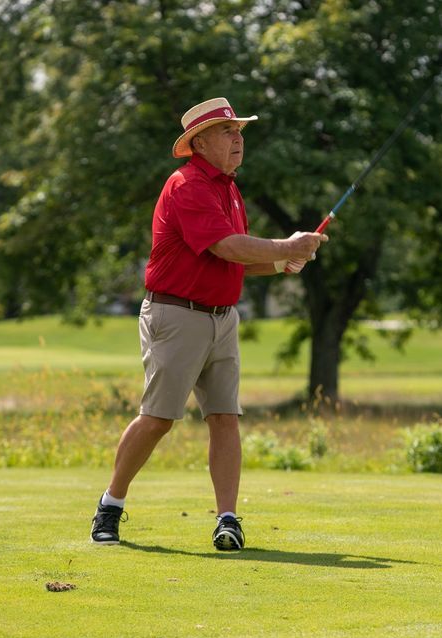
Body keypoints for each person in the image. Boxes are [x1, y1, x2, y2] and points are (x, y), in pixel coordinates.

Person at [90, 97, 326, 550]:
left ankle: (228, 519)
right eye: (228, 132)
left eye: (240, 132)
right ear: (199, 142)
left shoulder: (229, 189)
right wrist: (285, 245)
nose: (238, 139)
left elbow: (235, 260)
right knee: (158, 419)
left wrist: (282, 263)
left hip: (222, 317)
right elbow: (227, 247)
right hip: (177, 316)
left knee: (224, 417)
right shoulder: (187, 185)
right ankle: (110, 505)